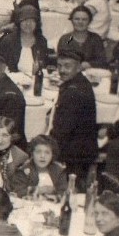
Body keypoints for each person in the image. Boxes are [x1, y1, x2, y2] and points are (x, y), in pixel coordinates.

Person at [50, 49, 98, 181]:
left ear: (78, 67)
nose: (62, 70)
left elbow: (62, 131)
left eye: (67, 66)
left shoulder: (74, 92)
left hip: (74, 156)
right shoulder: (79, 82)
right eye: (59, 65)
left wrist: (48, 146)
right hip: (82, 150)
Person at [0, 4, 48, 75]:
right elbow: (0, 66)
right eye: (25, 20)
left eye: (32, 20)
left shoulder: (41, 41)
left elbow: (43, 67)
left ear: (37, 23)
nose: (28, 24)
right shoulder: (8, 41)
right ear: (19, 22)